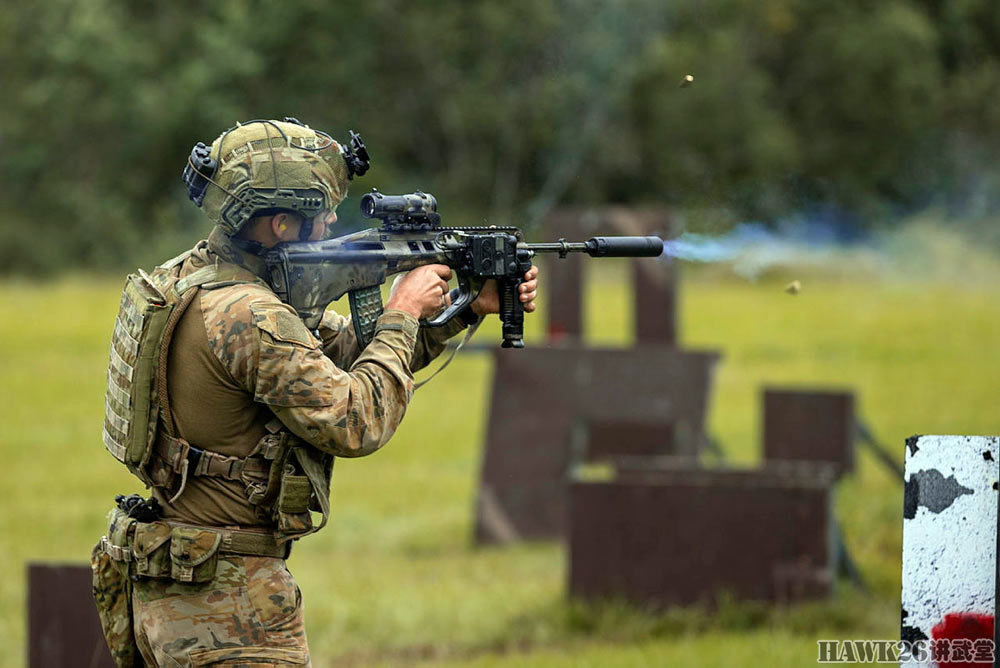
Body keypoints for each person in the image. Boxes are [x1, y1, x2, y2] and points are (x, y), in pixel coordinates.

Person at [91, 118, 539, 666]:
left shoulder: (187, 281)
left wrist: (460, 310)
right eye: (322, 211)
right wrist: (402, 311)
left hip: (170, 584)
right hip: (229, 611)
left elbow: (335, 360)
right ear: (280, 224)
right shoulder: (251, 317)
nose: (332, 221)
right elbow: (355, 419)